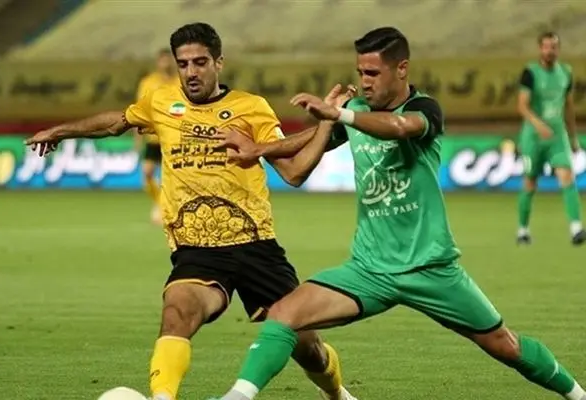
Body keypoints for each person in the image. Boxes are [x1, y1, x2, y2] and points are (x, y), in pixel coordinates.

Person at [211, 27, 586, 400]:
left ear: (401, 69)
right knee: (282, 314)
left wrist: (340, 114)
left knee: (505, 345)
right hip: (369, 270)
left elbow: (400, 127)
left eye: (373, 73)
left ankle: (577, 394)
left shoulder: (424, 109)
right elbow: (304, 144)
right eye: (361, 72)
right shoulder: (356, 112)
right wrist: (260, 148)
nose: (365, 81)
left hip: (431, 268)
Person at [24, 22, 357, 400]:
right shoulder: (160, 101)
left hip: (255, 245)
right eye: (183, 64)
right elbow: (117, 122)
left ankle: (337, 395)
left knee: (307, 347)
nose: (191, 72)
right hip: (197, 251)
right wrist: (59, 132)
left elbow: (294, 172)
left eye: (200, 62)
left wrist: (329, 125)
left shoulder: (251, 108)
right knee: (176, 312)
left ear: (219, 62)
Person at [516, 31, 585, 245]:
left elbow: (569, 107)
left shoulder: (566, 73)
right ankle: (523, 230)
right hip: (533, 137)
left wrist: (573, 137)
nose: (549, 51)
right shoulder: (530, 73)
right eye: (546, 47)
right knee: (530, 182)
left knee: (567, 176)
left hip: (557, 135)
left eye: (553, 47)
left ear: (558, 49)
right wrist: (538, 125)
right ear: (540, 49)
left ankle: (576, 228)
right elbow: (522, 106)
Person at [134, 48, 180, 225]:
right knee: (147, 173)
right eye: (163, 60)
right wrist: (138, 137)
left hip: (174, 137)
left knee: (171, 178)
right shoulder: (148, 83)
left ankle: (167, 208)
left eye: (169, 59)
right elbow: (139, 110)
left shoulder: (181, 81)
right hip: (153, 137)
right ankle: (159, 203)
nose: (166, 63)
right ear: (158, 62)